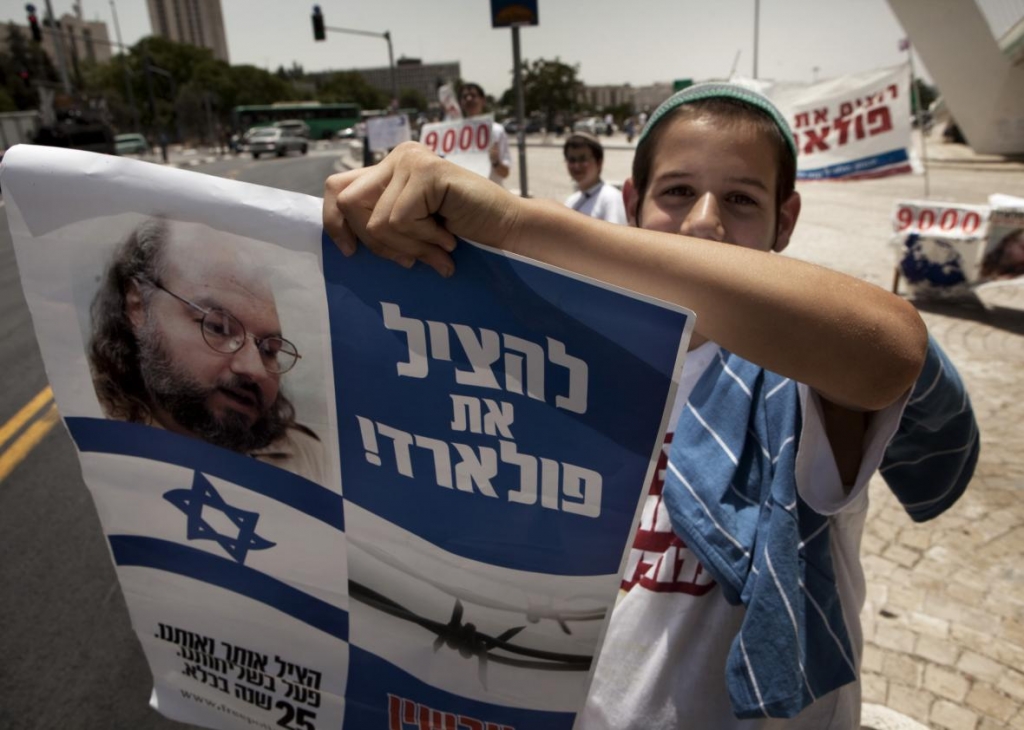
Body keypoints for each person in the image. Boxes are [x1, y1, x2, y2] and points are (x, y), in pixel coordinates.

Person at [322, 83, 976, 728]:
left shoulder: (797, 379)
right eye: (678, 192)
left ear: (788, 219)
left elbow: (889, 348)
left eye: (742, 199)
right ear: (633, 202)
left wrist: (520, 223)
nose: (703, 221)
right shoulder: (550, 363)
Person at [89, 217, 325, 484]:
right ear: (138, 305)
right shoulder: (94, 441)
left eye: (269, 349)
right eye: (219, 328)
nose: (255, 369)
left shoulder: (308, 458)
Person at [563, 131, 627, 224]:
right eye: (572, 160)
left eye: (583, 159)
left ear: (599, 163)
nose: (576, 166)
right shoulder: (570, 201)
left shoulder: (611, 199)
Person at [458, 82, 511, 185]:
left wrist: (496, 162)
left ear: (483, 101)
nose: (469, 99)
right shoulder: (455, 133)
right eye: (465, 97)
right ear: (461, 103)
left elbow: (505, 173)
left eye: (473, 96)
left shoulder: (497, 131)